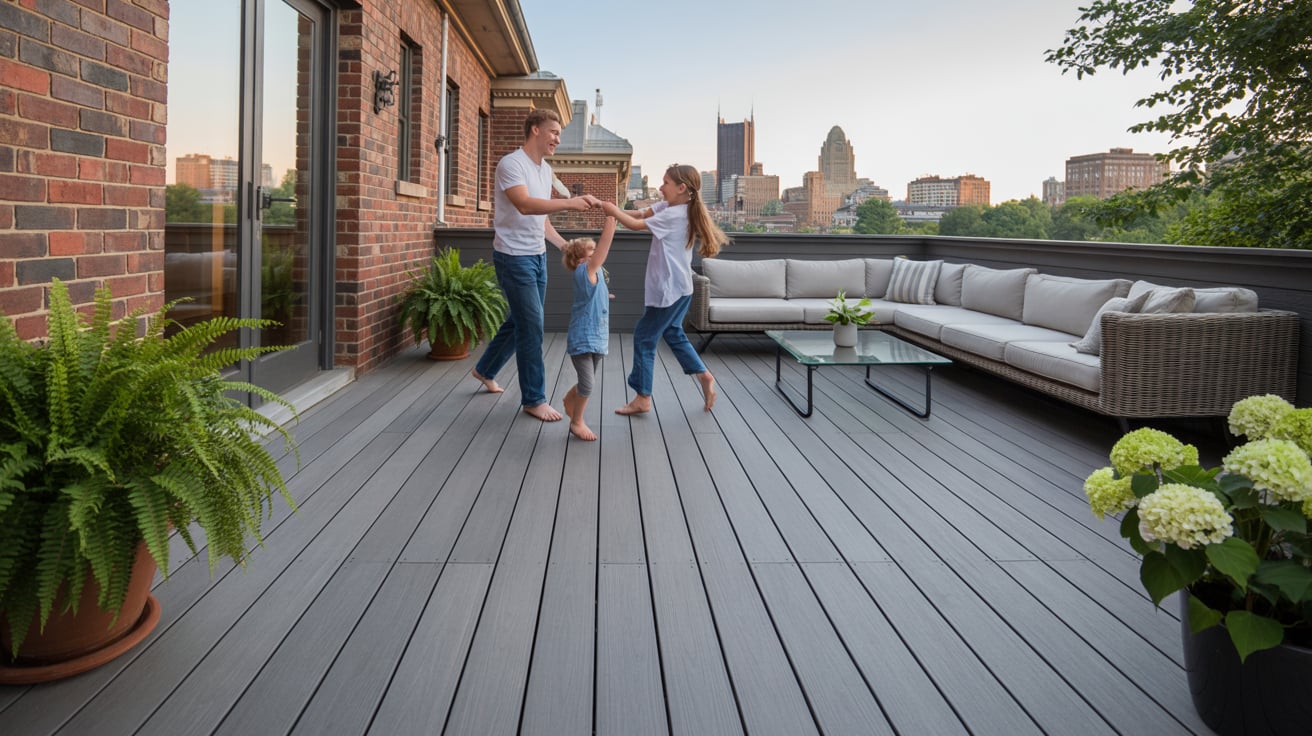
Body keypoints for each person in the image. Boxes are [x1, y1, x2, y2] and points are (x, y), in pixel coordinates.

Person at [471, 109, 592, 422]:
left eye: (559, 135)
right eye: (553, 132)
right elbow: (524, 205)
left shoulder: (544, 170)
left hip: (537, 257)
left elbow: (541, 220)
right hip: (513, 257)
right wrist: (569, 202)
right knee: (532, 327)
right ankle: (534, 399)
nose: (557, 139)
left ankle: (484, 369)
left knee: (520, 321)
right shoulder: (511, 164)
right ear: (535, 130)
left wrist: (564, 245)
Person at [599, 164, 729, 415]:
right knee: (672, 333)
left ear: (681, 188)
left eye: (665, 183)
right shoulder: (672, 208)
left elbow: (635, 226)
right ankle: (704, 375)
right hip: (680, 287)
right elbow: (640, 215)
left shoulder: (676, 215)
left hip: (669, 289)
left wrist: (612, 211)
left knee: (644, 337)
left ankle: (643, 397)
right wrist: (613, 207)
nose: (660, 187)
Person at [560, 216, 617, 440]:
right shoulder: (584, 272)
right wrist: (610, 224)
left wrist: (605, 296)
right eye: (591, 254)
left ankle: (568, 400)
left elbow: (594, 294)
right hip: (583, 338)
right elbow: (603, 249)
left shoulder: (595, 275)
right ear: (579, 261)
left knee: (588, 379)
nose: (597, 257)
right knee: (588, 383)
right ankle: (577, 422)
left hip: (598, 337)